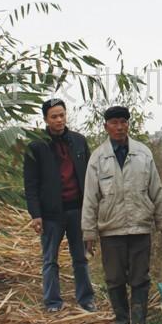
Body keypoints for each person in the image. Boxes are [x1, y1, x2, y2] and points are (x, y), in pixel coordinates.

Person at [82, 105, 162, 324]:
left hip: (140, 226)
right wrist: (89, 232)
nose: (119, 127)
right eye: (114, 123)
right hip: (111, 229)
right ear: (106, 126)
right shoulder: (98, 158)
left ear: (128, 124)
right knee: (114, 279)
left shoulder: (143, 154)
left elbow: (156, 191)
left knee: (140, 277)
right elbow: (90, 197)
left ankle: (140, 323)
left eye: (123, 122)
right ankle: (122, 322)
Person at [23, 98, 96, 312]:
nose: (59, 120)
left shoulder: (79, 141)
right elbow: (31, 183)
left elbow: (91, 176)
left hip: (77, 209)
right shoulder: (36, 146)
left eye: (62, 115)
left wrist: (92, 208)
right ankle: (53, 302)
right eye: (54, 116)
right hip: (50, 213)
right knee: (50, 260)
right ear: (45, 119)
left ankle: (86, 299)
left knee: (80, 257)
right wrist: (35, 214)